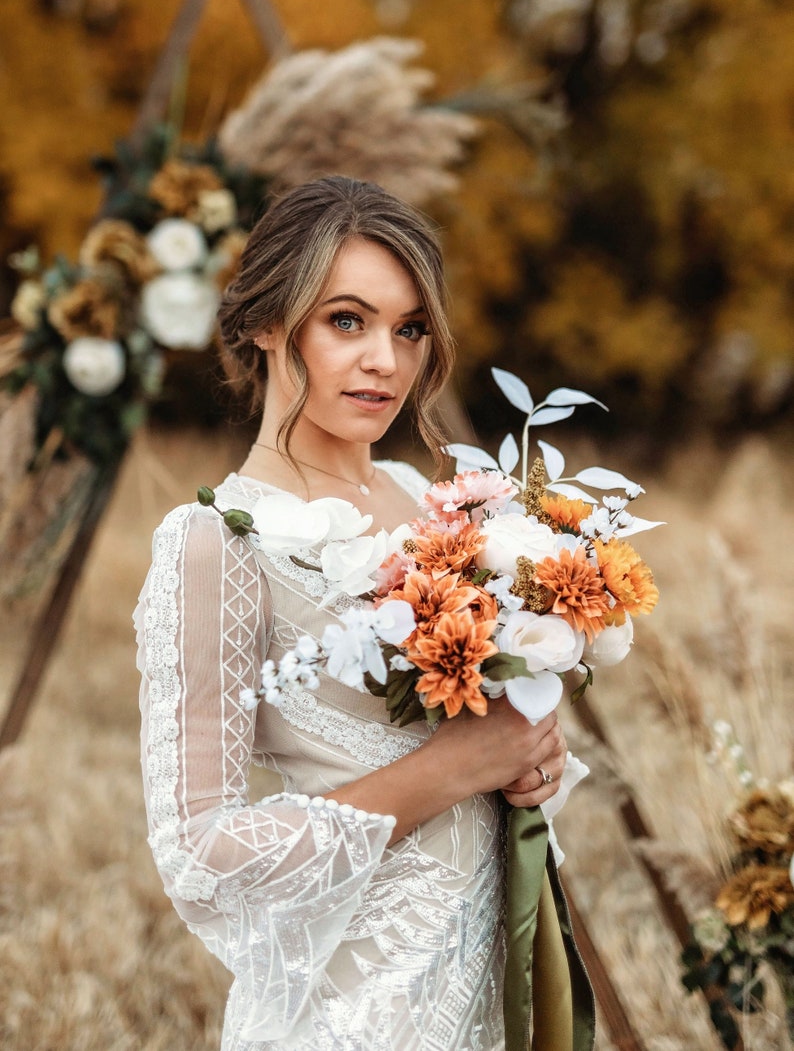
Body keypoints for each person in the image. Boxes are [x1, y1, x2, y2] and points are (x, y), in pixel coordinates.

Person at [134, 176, 572, 1051]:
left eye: (409, 329)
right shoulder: (214, 542)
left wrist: (533, 754)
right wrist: (453, 768)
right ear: (266, 323)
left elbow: (482, 731)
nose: (385, 360)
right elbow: (198, 851)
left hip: (493, 981)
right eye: (347, 320)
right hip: (357, 1013)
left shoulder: (427, 503)